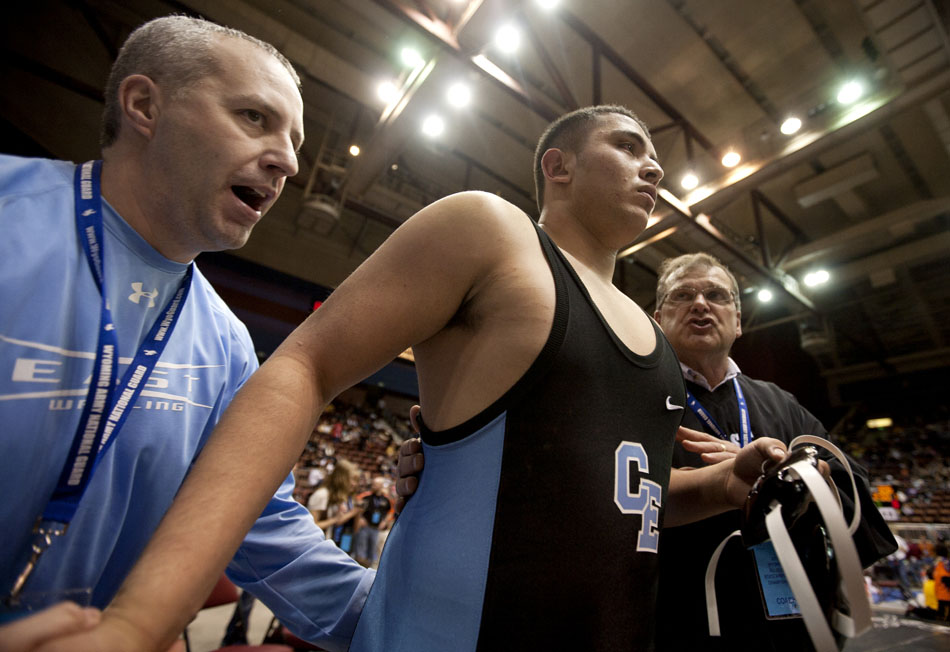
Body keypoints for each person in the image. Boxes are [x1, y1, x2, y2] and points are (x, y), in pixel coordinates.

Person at [45, 104, 792, 652]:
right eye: (628, 146)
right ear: (556, 166)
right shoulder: (492, 234)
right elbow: (304, 366)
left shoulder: (649, 333)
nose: (654, 167)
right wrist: (138, 622)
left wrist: (724, 489)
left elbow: (635, 498)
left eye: (654, 158)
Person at [0, 15, 372, 652]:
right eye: (255, 116)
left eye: (295, 141)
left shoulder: (227, 345)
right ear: (145, 105)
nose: (287, 161)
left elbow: (262, 523)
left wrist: (437, 619)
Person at [649, 253, 897, 651]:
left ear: (738, 320)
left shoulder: (780, 402)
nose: (700, 304)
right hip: (684, 621)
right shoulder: (636, 397)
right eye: (683, 295)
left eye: (716, 294)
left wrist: (787, 474)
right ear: (658, 320)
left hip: (797, 624)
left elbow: (850, 486)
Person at [309, 459, 362, 553]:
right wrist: (335, 519)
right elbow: (311, 527)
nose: (354, 484)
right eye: (352, 479)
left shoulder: (345, 498)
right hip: (319, 549)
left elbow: (355, 528)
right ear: (341, 478)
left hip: (338, 545)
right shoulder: (322, 495)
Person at [352, 476, 394, 568]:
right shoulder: (366, 496)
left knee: (373, 552)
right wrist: (360, 518)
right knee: (360, 550)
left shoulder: (386, 499)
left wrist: (385, 521)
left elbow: (390, 512)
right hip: (364, 528)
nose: (373, 486)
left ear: (381, 485)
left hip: (376, 529)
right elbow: (355, 504)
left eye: (375, 484)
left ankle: (369, 570)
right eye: (373, 484)